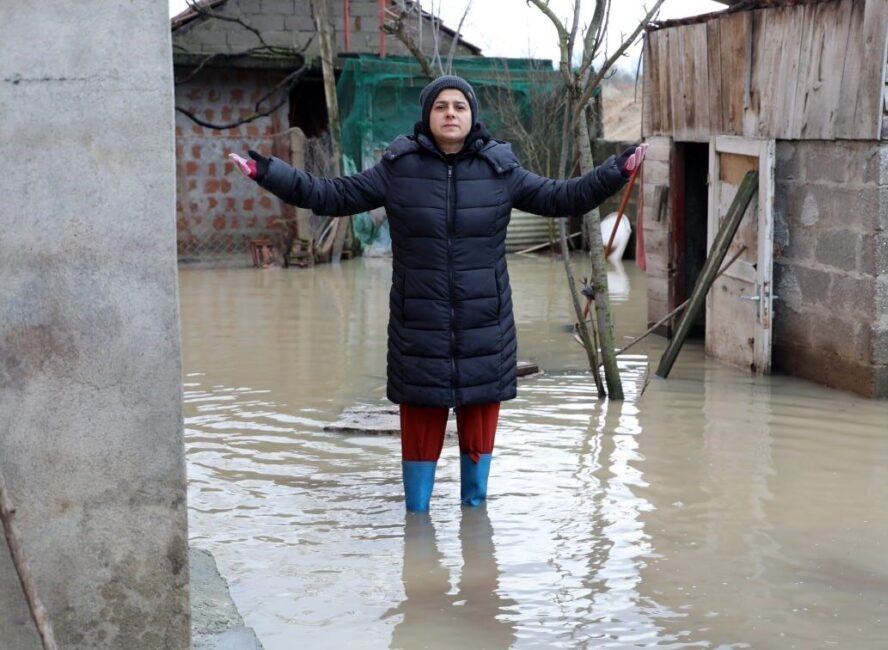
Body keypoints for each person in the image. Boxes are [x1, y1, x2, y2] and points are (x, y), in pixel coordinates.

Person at [229, 75, 647, 512]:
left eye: (459, 106)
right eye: (441, 106)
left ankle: (475, 533)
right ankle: (417, 531)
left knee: (476, 482)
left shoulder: (499, 169)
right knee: (418, 483)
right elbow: (331, 195)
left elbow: (565, 197)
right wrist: (269, 173)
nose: (450, 113)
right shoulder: (398, 168)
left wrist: (616, 170)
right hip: (419, 331)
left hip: (484, 331)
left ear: (472, 116)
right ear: (427, 116)